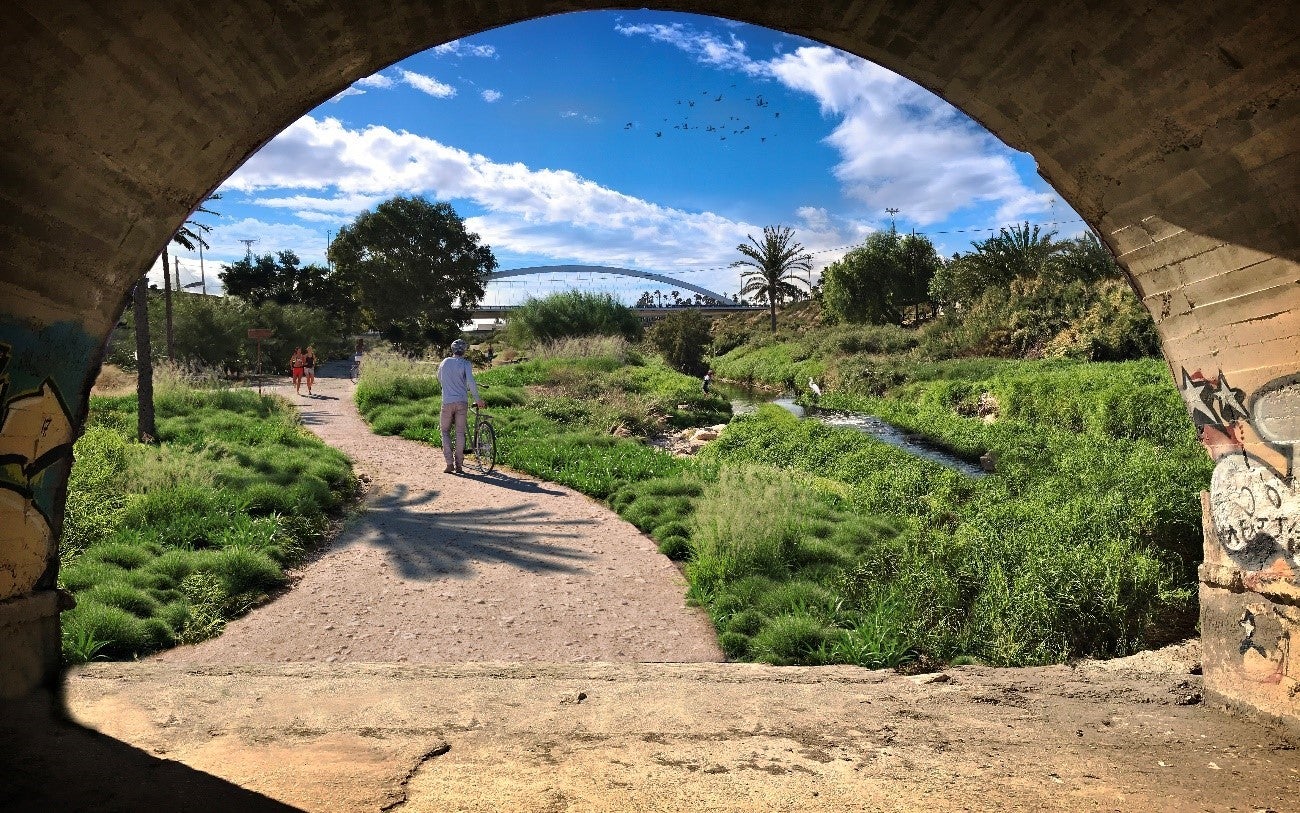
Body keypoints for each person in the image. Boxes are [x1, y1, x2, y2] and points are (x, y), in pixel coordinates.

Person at [437, 338, 484, 474]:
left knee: (445, 432)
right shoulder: (465, 364)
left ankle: (449, 464)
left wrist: (448, 386)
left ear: (452, 350)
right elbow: (471, 382)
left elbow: (439, 378)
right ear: (464, 351)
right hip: (462, 402)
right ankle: (459, 465)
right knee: (459, 433)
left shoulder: (444, 362)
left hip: (447, 402)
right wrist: (477, 399)